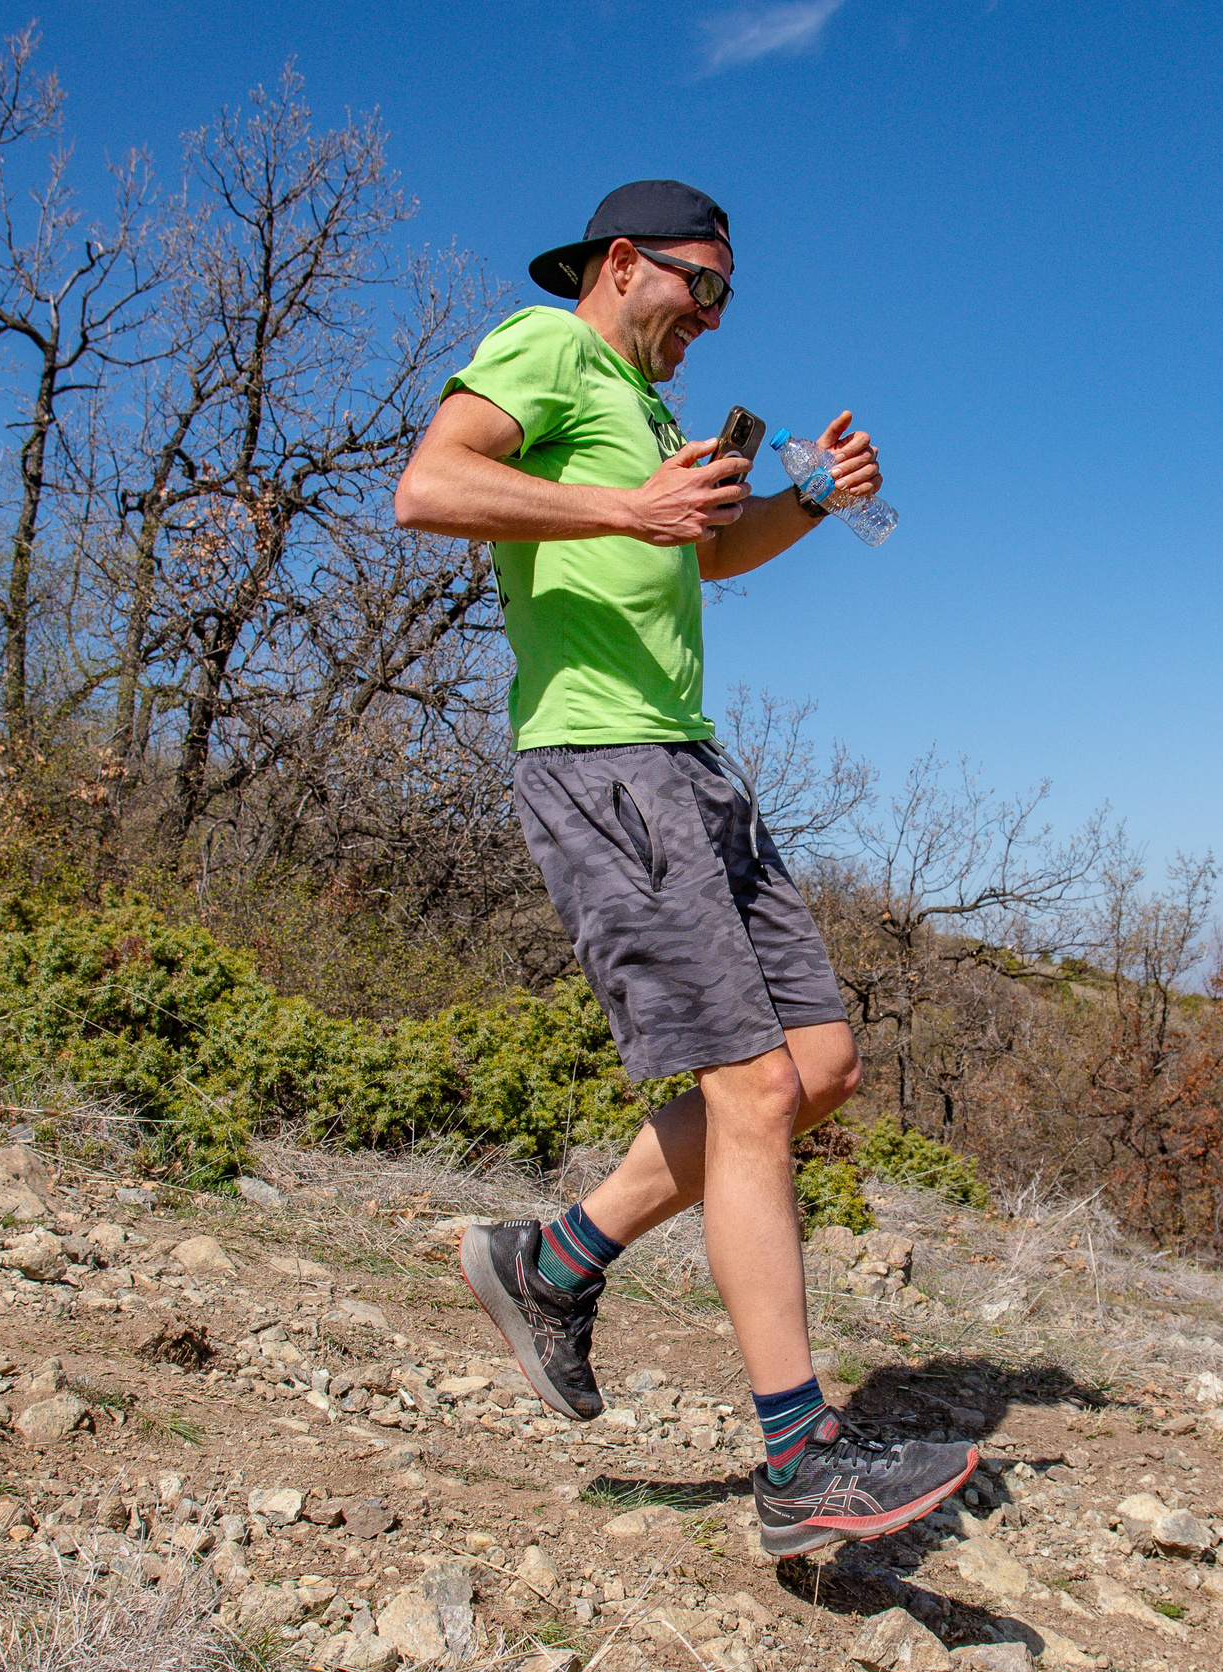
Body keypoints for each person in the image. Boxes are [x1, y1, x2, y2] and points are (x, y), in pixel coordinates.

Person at [394, 180, 975, 1557]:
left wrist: (805, 502)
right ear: (619, 265)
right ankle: (799, 1454)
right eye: (697, 288)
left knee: (818, 1063)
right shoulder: (546, 348)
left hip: (692, 760)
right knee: (752, 1088)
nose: (710, 320)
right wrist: (621, 507)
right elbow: (428, 486)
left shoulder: (650, 412)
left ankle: (550, 1264)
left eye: (727, 298)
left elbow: (708, 557)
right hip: (605, 762)